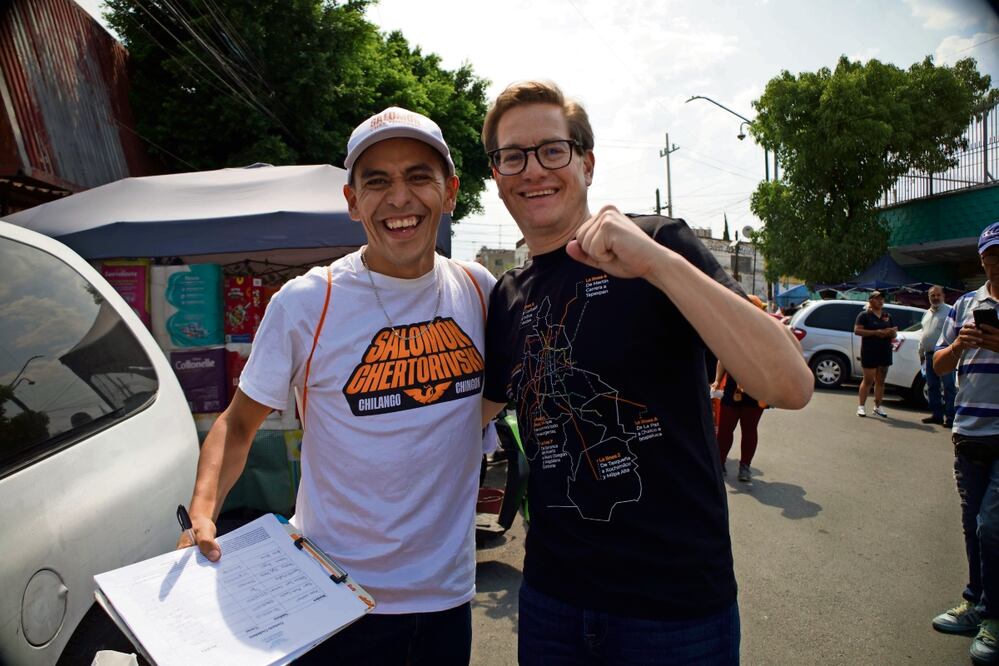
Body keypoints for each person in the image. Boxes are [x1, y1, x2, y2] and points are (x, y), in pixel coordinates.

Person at [479, 80, 813, 665]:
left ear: (587, 162)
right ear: (498, 177)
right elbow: (462, 429)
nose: (533, 169)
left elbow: (788, 384)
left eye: (552, 150)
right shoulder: (507, 296)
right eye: (513, 156)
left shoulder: (658, 242)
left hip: (675, 612)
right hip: (551, 600)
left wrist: (656, 264)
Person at [181, 106, 495, 665]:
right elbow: (238, 422)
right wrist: (205, 509)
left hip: (447, 601)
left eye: (418, 176)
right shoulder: (309, 301)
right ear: (353, 203)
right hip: (333, 597)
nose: (399, 198)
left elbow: (497, 396)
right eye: (377, 182)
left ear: (449, 192)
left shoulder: (478, 289)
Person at [930, 221, 999, 666]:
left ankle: (994, 615)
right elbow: (937, 366)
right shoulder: (966, 304)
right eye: (991, 256)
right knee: (972, 522)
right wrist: (958, 347)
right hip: (969, 429)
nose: (997, 263)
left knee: (993, 525)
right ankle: (975, 601)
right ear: (981, 259)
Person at [713, 295, 769, 483]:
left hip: (756, 388)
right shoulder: (732, 331)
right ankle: (719, 464)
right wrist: (716, 380)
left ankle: (745, 467)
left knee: (749, 429)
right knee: (725, 429)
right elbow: (723, 358)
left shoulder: (766, 333)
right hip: (732, 389)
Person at [853, 291, 897, 418]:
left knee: (881, 381)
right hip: (869, 351)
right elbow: (857, 331)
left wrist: (890, 332)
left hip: (885, 351)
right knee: (868, 380)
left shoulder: (887, 315)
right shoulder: (864, 315)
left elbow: (894, 333)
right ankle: (861, 407)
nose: (881, 301)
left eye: (882, 299)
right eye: (877, 299)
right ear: (871, 301)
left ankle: (877, 407)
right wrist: (876, 332)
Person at [919, 285, 957, 426]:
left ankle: (951, 418)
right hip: (929, 356)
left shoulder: (950, 311)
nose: (935, 298)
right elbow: (923, 334)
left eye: (937, 295)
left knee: (948, 387)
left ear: (943, 296)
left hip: (945, 355)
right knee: (932, 386)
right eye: (932, 295)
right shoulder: (927, 313)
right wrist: (921, 353)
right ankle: (937, 415)